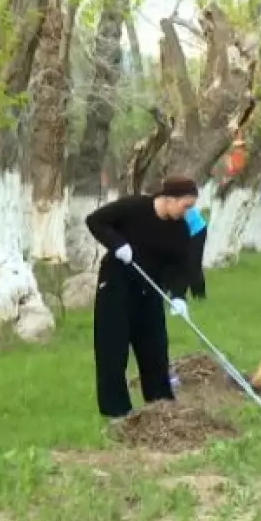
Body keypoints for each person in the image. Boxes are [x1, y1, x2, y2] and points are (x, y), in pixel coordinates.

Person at [85, 176, 198, 420]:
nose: (187, 211)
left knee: (155, 350)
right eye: (185, 206)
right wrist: (117, 244)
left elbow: (180, 266)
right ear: (168, 199)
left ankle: (161, 407)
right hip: (116, 288)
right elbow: (95, 221)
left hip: (150, 292)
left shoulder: (180, 229)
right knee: (112, 352)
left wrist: (178, 296)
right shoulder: (134, 208)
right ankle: (118, 413)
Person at [182, 205, 208, 299]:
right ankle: (178, 296)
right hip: (183, 230)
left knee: (193, 264)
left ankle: (199, 295)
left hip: (196, 230)